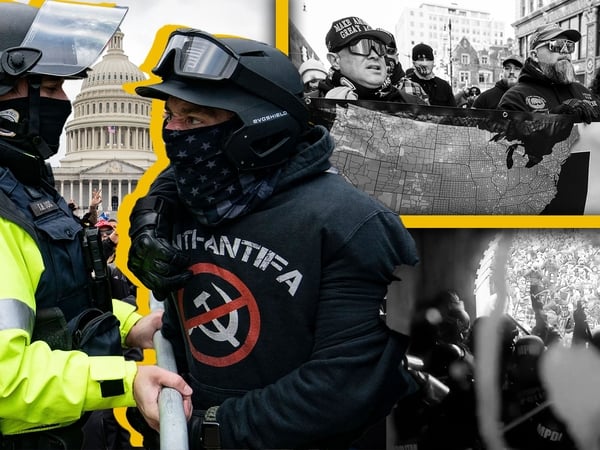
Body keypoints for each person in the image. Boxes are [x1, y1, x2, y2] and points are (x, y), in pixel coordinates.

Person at [126, 27, 420, 448]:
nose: (173, 133)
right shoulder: (190, 204)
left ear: (256, 129)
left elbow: (344, 385)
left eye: (193, 119)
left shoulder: (353, 224)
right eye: (169, 116)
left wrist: (209, 429)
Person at [0, 1, 191, 448]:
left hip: (72, 426)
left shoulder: (28, 187)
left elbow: (62, 299)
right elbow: (5, 381)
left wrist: (129, 326)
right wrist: (127, 378)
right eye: (47, 86)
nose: (63, 100)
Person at [498, 23, 599, 123]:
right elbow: (510, 136)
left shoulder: (583, 92)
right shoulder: (515, 97)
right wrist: (556, 116)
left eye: (569, 45)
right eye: (557, 45)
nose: (565, 51)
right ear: (535, 55)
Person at [319, 16, 425, 104]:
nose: (375, 55)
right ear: (335, 61)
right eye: (361, 46)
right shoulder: (311, 106)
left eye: (379, 47)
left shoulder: (414, 104)